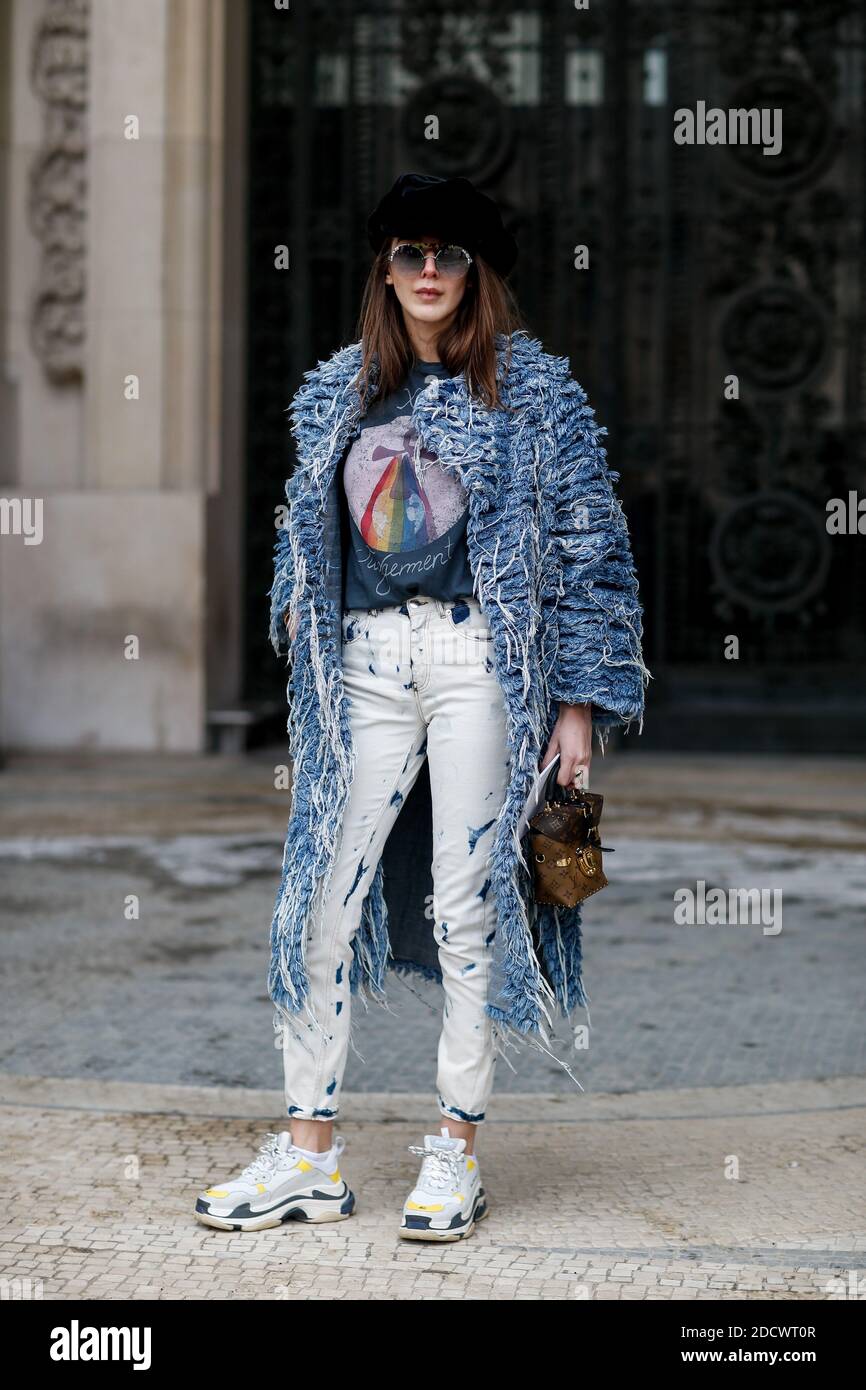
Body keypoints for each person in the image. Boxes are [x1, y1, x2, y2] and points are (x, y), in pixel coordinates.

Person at [195, 172, 649, 1241]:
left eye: (448, 254)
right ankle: (309, 1155)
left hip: (480, 664)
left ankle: (453, 1152)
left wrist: (579, 705)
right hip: (360, 667)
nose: (429, 272)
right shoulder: (336, 394)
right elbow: (301, 547)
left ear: (478, 271)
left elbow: (593, 555)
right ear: (384, 269)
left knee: (465, 906)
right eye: (408, 253)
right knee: (315, 902)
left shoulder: (535, 394)